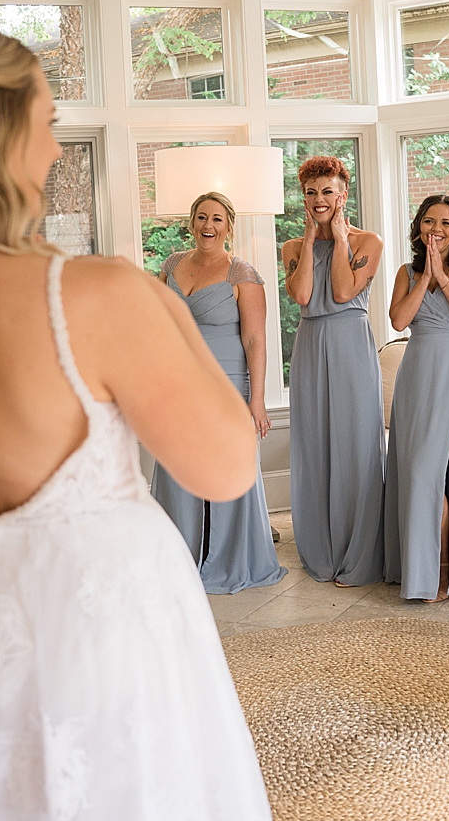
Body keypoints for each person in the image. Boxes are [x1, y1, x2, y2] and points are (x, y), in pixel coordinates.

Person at [0, 18, 271, 819]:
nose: (57, 151)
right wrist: (165, 313)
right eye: (48, 124)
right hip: (97, 615)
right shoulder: (96, 293)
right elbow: (227, 467)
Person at [151, 191, 286, 594]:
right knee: (178, 467)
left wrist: (257, 400)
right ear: (191, 222)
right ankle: (180, 555)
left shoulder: (241, 273)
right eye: (201, 217)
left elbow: (256, 340)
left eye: (217, 219)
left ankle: (229, 557)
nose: (208, 226)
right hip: (179, 382)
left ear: (229, 225)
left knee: (227, 467)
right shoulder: (172, 264)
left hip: (228, 383)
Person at [281, 156, 386, 587]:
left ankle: (359, 551)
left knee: (355, 444)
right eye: (310, 192)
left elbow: (343, 291)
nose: (318, 200)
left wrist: (340, 240)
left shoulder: (369, 242)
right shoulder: (290, 247)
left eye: (327, 191)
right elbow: (303, 294)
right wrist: (309, 242)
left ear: (343, 194)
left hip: (350, 345)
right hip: (310, 345)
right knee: (315, 444)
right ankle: (321, 548)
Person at [384, 194, 449, 603]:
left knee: (446, 474)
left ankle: (447, 573)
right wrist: (425, 277)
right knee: (417, 475)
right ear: (419, 227)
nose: (438, 230)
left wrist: (444, 279)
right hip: (417, 377)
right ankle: (418, 568)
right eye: (430, 222)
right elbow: (398, 320)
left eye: (446, 223)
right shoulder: (405, 272)